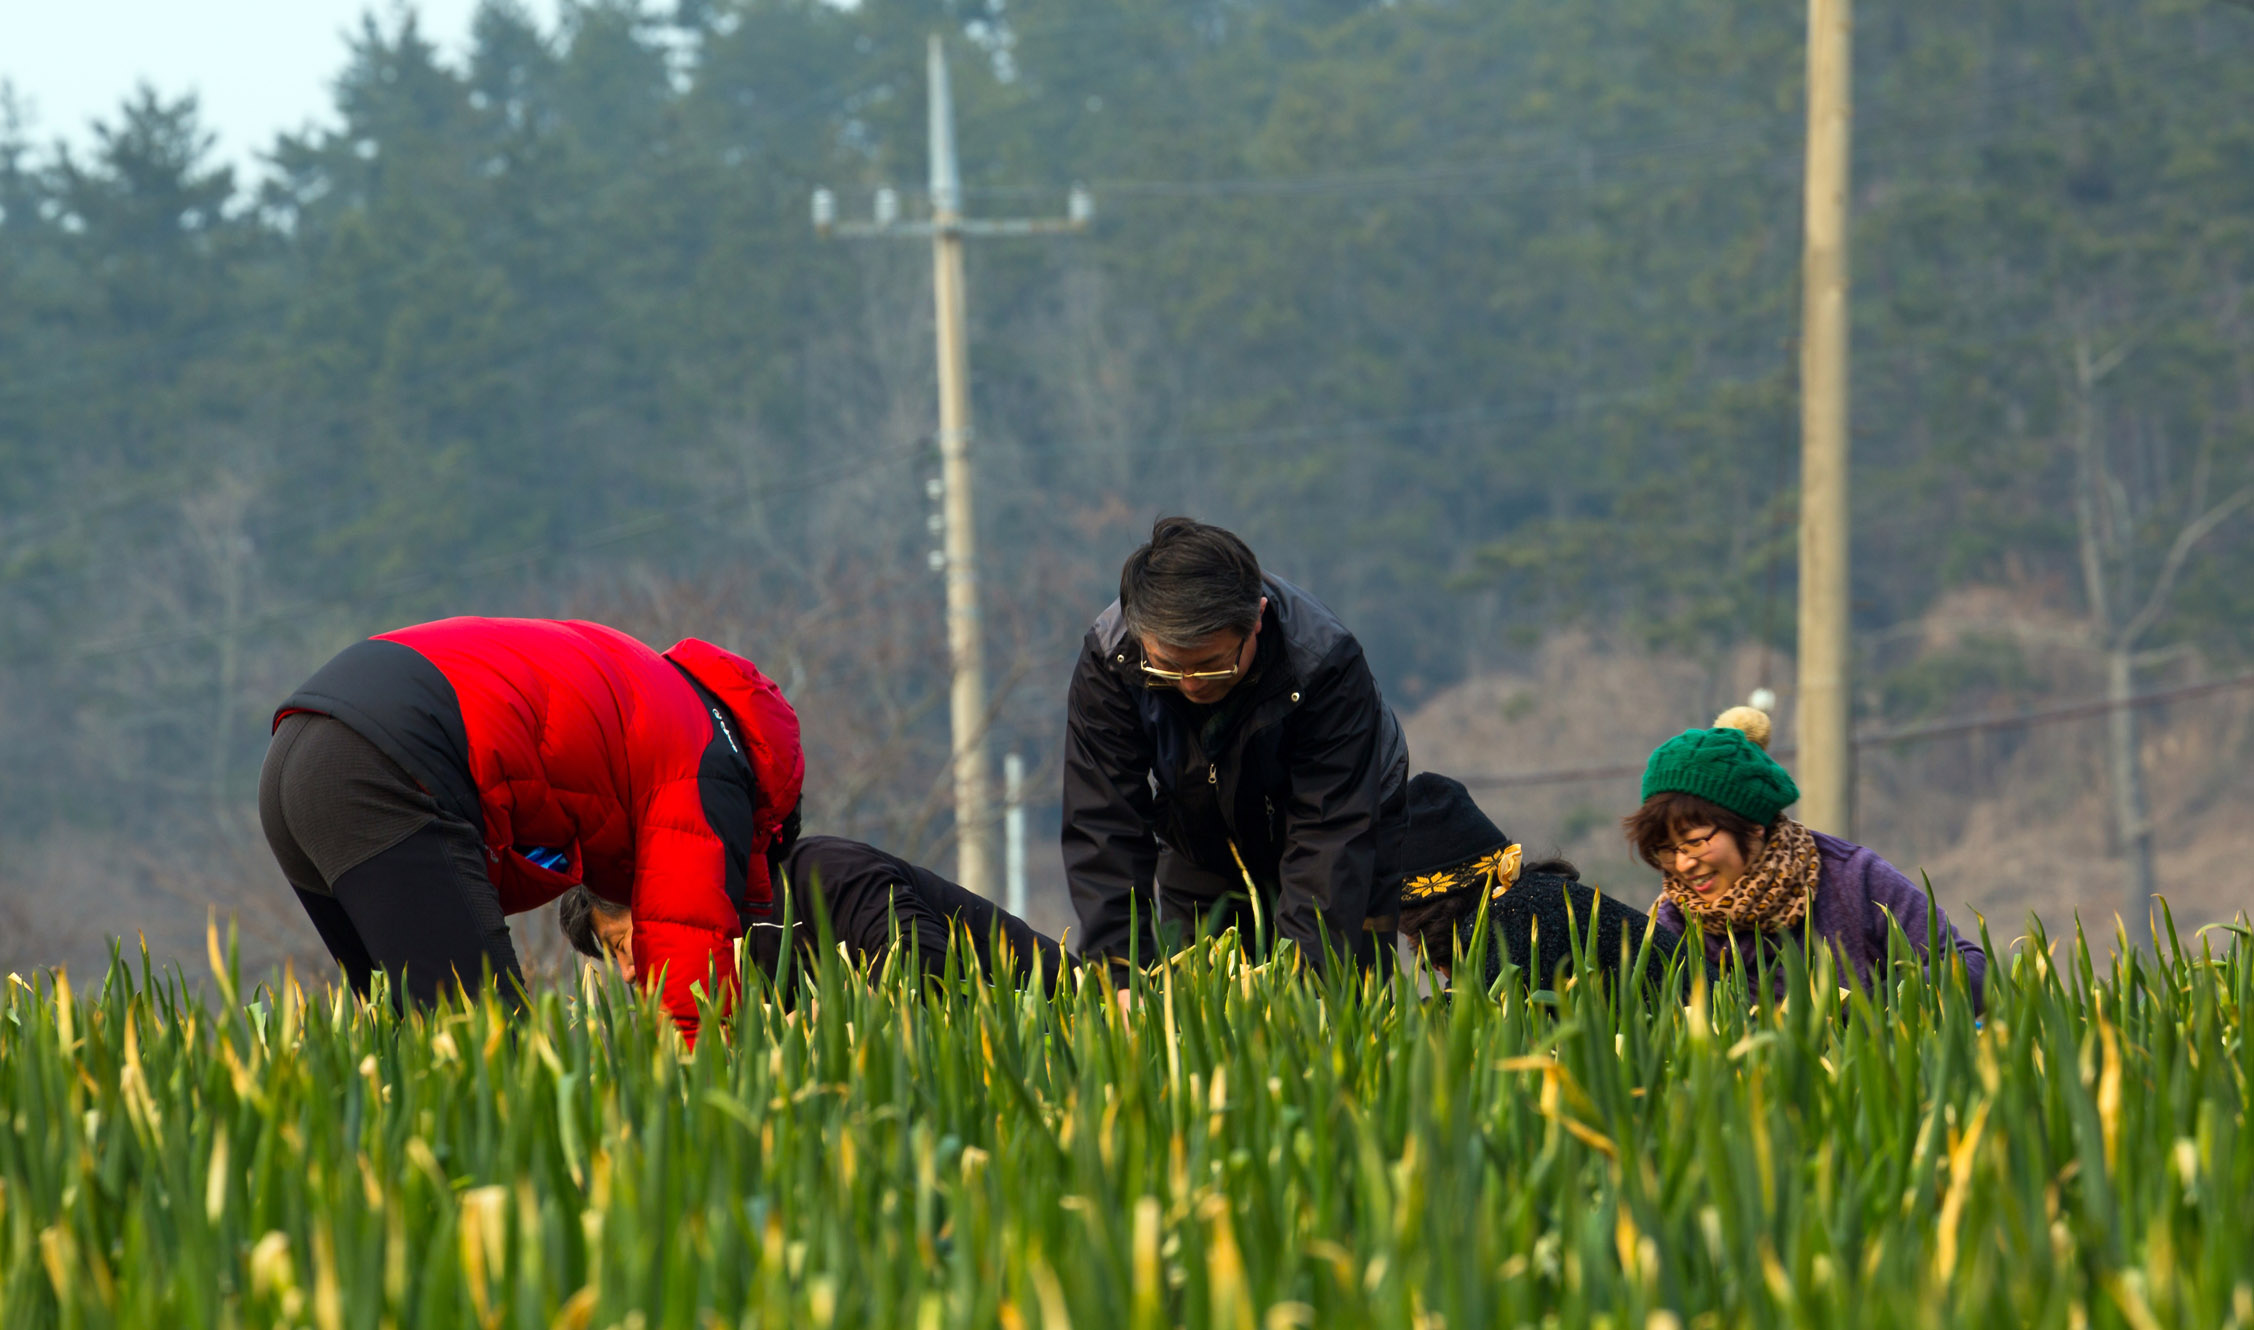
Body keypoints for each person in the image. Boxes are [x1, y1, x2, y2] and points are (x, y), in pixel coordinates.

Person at [258, 616, 803, 1042]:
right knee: (493, 1061)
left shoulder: (645, 689)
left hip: (294, 758)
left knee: (410, 1043)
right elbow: (689, 958)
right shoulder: (711, 761)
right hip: (384, 762)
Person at [1062, 517, 1409, 987]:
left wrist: (1300, 989)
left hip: (1346, 830)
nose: (1189, 685)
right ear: (1142, 637)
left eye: (1210, 665)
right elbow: (1103, 822)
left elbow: (1330, 835)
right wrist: (1120, 976)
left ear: (1257, 619)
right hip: (1200, 836)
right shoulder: (1112, 659)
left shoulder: (1324, 663)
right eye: (1167, 668)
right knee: (1193, 997)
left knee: (1332, 996)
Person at [1627, 706, 1987, 1011]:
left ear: (1753, 825)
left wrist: (1862, 1011)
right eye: (1668, 850)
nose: (1685, 864)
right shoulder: (1672, 919)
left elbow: (1968, 968)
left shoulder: (1852, 877)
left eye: (1695, 842)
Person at [559, 834, 1067, 996]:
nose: (628, 973)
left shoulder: (819, 874)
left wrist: (831, 1026)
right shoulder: (728, 972)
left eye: (623, 944)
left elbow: (924, 964)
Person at [1394, 773, 1705, 997]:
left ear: (1430, 919)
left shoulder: (1518, 920)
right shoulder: (1524, 903)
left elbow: (1480, 1019)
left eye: (1417, 945)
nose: (1431, 966)